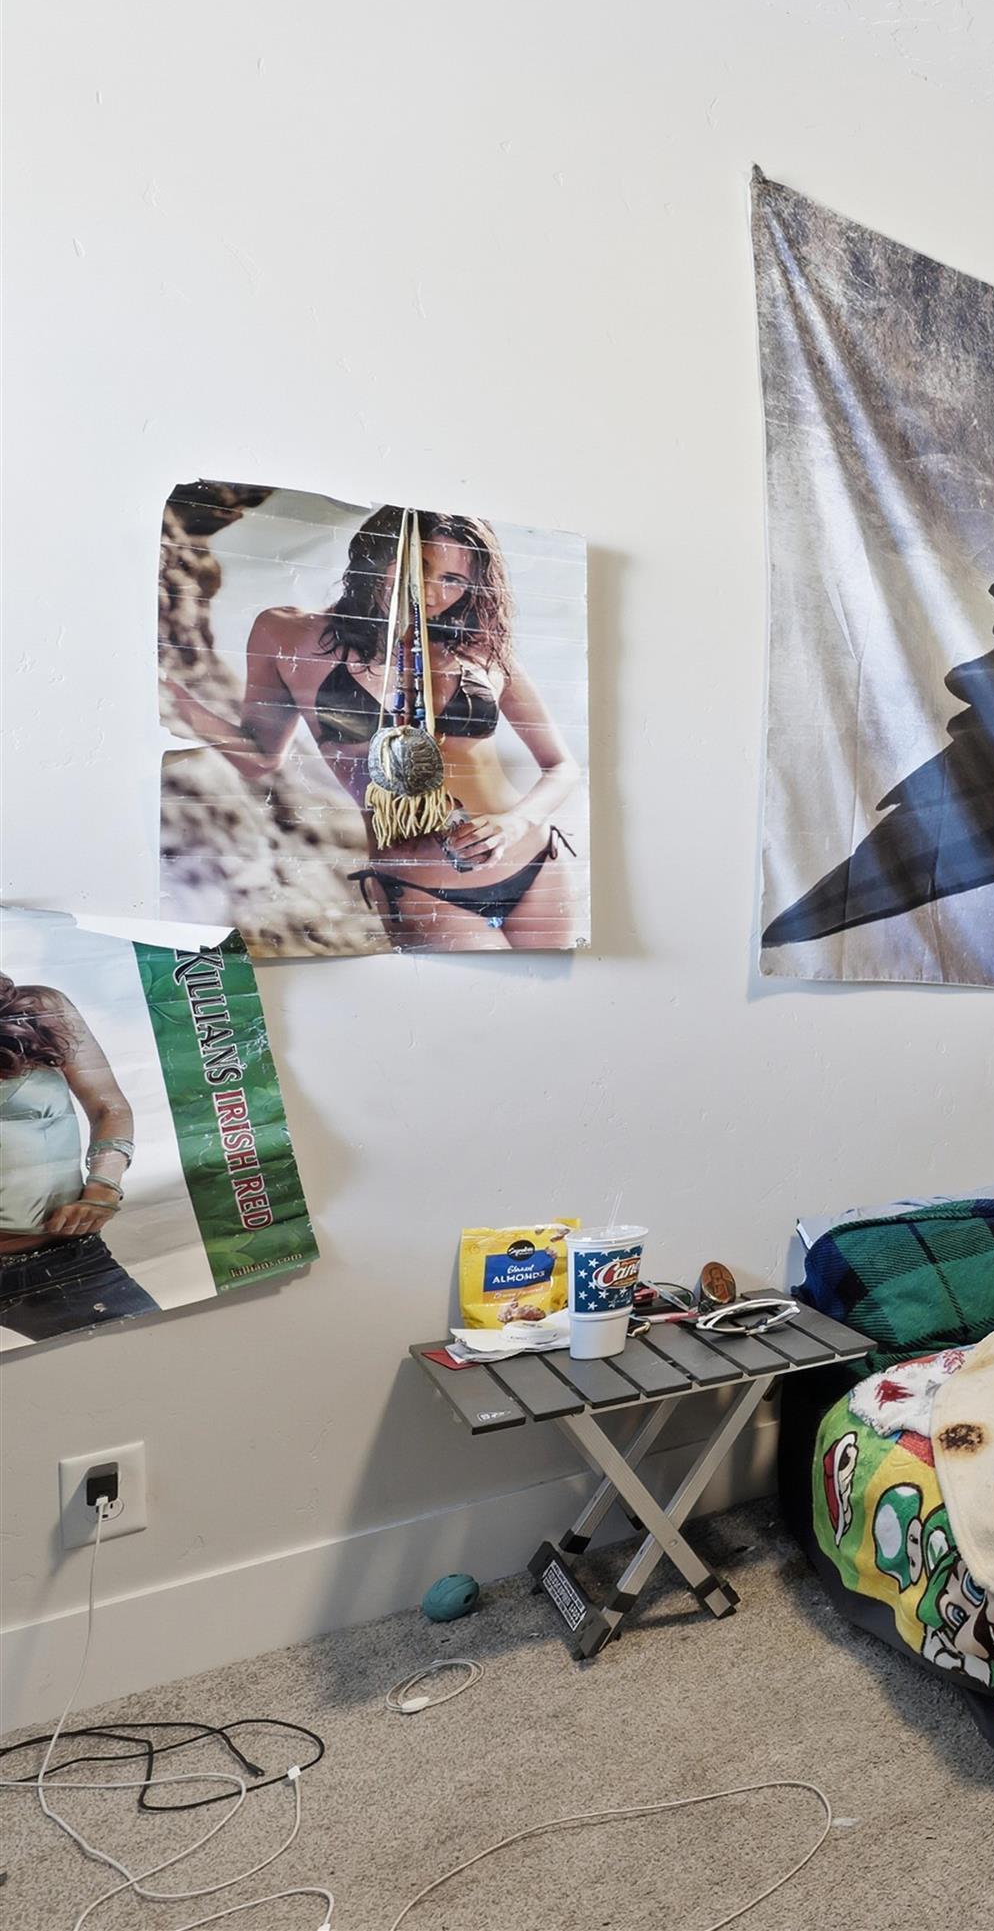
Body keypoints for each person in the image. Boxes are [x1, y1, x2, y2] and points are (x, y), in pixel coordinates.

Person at [166, 505, 582, 950]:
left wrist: (514, 825)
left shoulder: (481, 651)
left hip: (535, 865)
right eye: (417, 567)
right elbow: (261, 755)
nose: (429, 591)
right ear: (376, 553)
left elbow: (561, 767)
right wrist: (171, 696)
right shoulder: (285, 634)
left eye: (453, 580)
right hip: (422, 890)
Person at [0, 976, 155, 1342]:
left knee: (152, 1357)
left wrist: (104, 1187)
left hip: (53, 1258)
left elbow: (107, 1106)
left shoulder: (35, 1007)